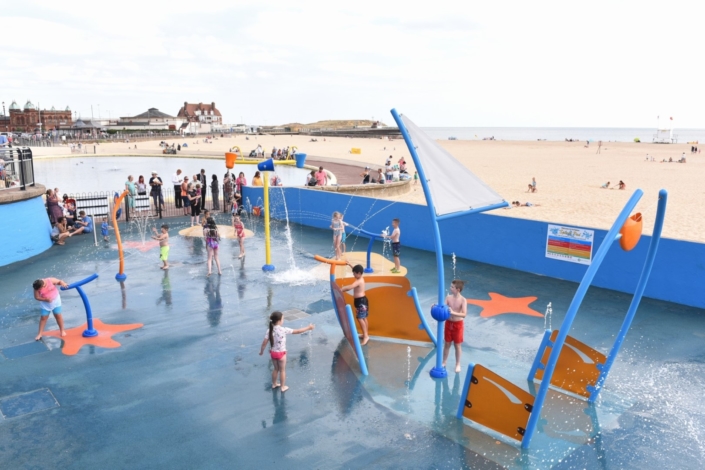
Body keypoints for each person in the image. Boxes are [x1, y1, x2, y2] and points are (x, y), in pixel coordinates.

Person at [259, 311, 315, 392]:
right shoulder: (283, 330)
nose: (283, 320)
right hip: (281, 354)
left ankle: (274, 384)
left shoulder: (269, 330)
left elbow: (264, 342)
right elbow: (298, 331)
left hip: (273, 353)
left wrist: (261, 351)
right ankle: (282, 387)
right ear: (279, 320)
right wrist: (308, 328)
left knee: (275, 369)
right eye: (283, 319)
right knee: (282, 370)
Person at [441, 280, 468, 373]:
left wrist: (453, 312)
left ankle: (457, 364)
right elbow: (442, 307)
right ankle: (444, 362)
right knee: (447, 344)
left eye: (452, 287)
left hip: (458, 325)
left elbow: (464, 314)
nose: (450, 288)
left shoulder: (463, 300)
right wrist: (435, 306)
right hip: (448, 323)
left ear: (458, 289)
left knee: (457, 345)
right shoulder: (448, 297)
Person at [341, 263, 369, 345]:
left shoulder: (359, 281)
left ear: (359, 273)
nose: (353, 274)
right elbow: (356, 269)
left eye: (354, 273)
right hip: (362, 301)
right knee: (364, 318)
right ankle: (365, 334)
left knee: (360, 318)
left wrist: (341, 289)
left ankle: (366, 336)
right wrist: (350, 264)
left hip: (361, 301)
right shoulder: (361, 276)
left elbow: (350, 287)